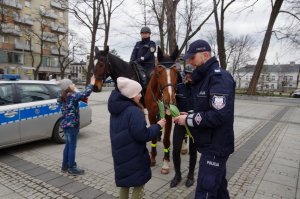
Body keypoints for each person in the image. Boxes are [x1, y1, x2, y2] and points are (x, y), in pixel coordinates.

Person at [174, 40, 235, 198]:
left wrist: (188, 120)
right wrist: (191, 115)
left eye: (192, 58)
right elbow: (206, 108)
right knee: (219, 189)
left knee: (205, 192)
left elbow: (218, 115)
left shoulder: (219, 78)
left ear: (205, 55)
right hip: (210, 143)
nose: (190, 62)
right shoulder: (206, 78)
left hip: (216, 146)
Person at [108, 77, 166, 199]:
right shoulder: (134, 111)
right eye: (138, 93)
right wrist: (158, 126)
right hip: (134, 156)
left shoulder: (116, 109)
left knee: (125, 185)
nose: (140, 95)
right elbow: (143, 135)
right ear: (131, 94)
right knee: (139, 184)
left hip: (121, 155)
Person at [58, 76, 95, 175]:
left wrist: (72, 89)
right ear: (68, 87)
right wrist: (92, 83)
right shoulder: (73, 97)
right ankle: (72, 167)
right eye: (71, 84)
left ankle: (64, 165)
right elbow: (86, 93)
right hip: (72, 126)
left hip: (65, 125)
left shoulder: (62, 98)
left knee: (68, 146)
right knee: (72, 147)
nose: (73, 84)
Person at [171, 64, 197, 188]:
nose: (189, 76)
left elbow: (203, 108)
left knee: (193, 150)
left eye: (192, 74)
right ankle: (177, 175)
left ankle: (191, 175)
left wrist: (190, 114)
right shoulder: (179, 87)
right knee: (176, 149)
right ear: (185, 74)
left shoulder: (200, 88)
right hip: (180, 122)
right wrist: (170, 110)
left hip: (194, 123)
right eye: (187, 73)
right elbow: (172, 102)